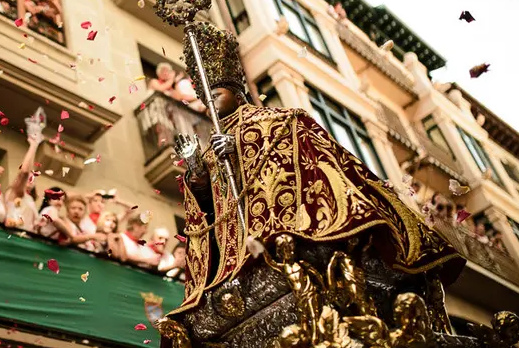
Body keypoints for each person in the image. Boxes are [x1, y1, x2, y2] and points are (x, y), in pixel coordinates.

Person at [169, 22, 463, 317]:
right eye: (204, 101)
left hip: (281, 238)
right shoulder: (209, 148)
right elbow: (211, 208)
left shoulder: (274, 121)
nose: (210, 104)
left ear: (236, 92)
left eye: (215, 95)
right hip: (236, 257)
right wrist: (197, 169)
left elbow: (295, 156)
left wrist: (242, 147)